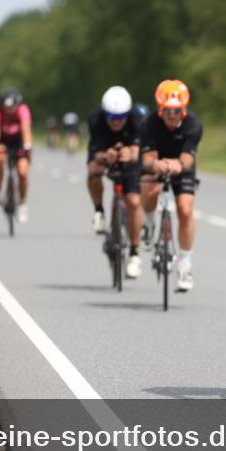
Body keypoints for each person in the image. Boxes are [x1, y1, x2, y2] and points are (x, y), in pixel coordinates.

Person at [140, 79, 203, 292]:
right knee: (150, 189)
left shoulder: (193, 124)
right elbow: (147, 159)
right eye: (168, 110)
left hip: (181, 166)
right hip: (156, 163)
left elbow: (188, 159)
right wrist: (155, 164)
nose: (172, 115)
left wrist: (178, 164)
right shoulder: (148, 122)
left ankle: (185, 265)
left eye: (177, 111)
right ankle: (148, 224)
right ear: (161, 108)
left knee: (185, 210)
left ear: (183, 109)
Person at [87, 86, 145, 279]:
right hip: (105, 148)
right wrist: (106, 156)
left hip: (131, 153)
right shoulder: (96, 119)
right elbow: (96, 153)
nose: (117, 122)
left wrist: (131, 154)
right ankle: (99, 210)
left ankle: (135, 253)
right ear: (105, 115)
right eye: (112, 118)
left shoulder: (138, 118)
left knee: (134, 202)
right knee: (94, 171)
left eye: (121, 118)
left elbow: (139, 151)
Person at [0, 88, 34, 223]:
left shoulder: (23, 110)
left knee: (23, 172)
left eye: (12, 109)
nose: (9, 112)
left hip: (18, 141)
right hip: (3, 140)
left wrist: (27, 146)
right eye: (6, 109)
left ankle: (22, 203)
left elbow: (26, 129)